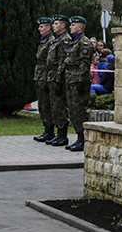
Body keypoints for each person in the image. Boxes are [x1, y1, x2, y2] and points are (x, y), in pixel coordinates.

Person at [59, 16, 93, 152]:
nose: (70, 27)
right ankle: (79, 137)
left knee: (79, 110)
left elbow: (85, 64)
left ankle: (83, 139)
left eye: (73, 25)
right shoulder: (74, 41)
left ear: (80, 27)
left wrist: (80, 80)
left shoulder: (84, 42)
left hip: (79, 80)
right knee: (73, 110)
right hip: (70, 79)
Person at [44, 15, 71, 146]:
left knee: (59, 106)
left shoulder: (65, 40)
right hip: (51, 74)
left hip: (57, 76)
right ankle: (58, 133)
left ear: (62, 26)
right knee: (54, 105)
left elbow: (62, 62)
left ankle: (63, 134)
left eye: (55, 24)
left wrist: (59, 80)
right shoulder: (57, 39)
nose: (53, 26)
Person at [32, 17, 56, 142]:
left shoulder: (51, 41)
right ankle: (46, 129)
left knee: (47, 104)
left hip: (45, 75)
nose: (39, 29)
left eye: (42, 27)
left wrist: (47, 79)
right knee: (42, 104)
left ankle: (50, 130)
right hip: (40, 75)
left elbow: (50, 62)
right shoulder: (44, 40)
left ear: (48, 27)